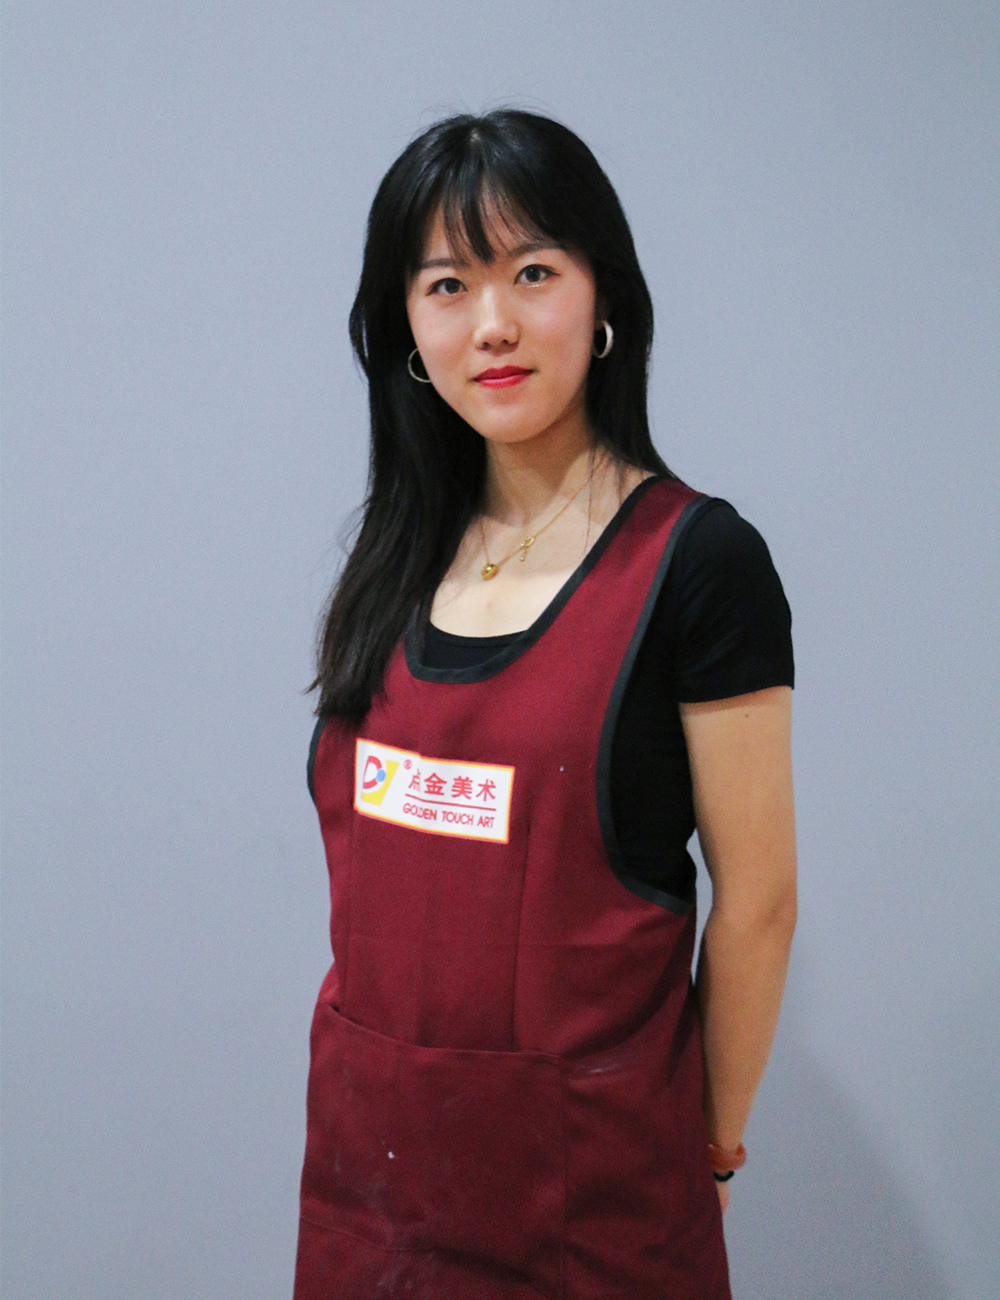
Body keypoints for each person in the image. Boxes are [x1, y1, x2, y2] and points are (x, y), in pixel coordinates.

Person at [294, 110, 797, 1300]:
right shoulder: (395, 555)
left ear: (603, 295)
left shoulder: (696, 563)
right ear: (406, 328)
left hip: (590, 1207)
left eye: (531, 273)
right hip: (375, 1194)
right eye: (447, 286)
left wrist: (710, 1147)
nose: (493, 324)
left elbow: (760, 904)